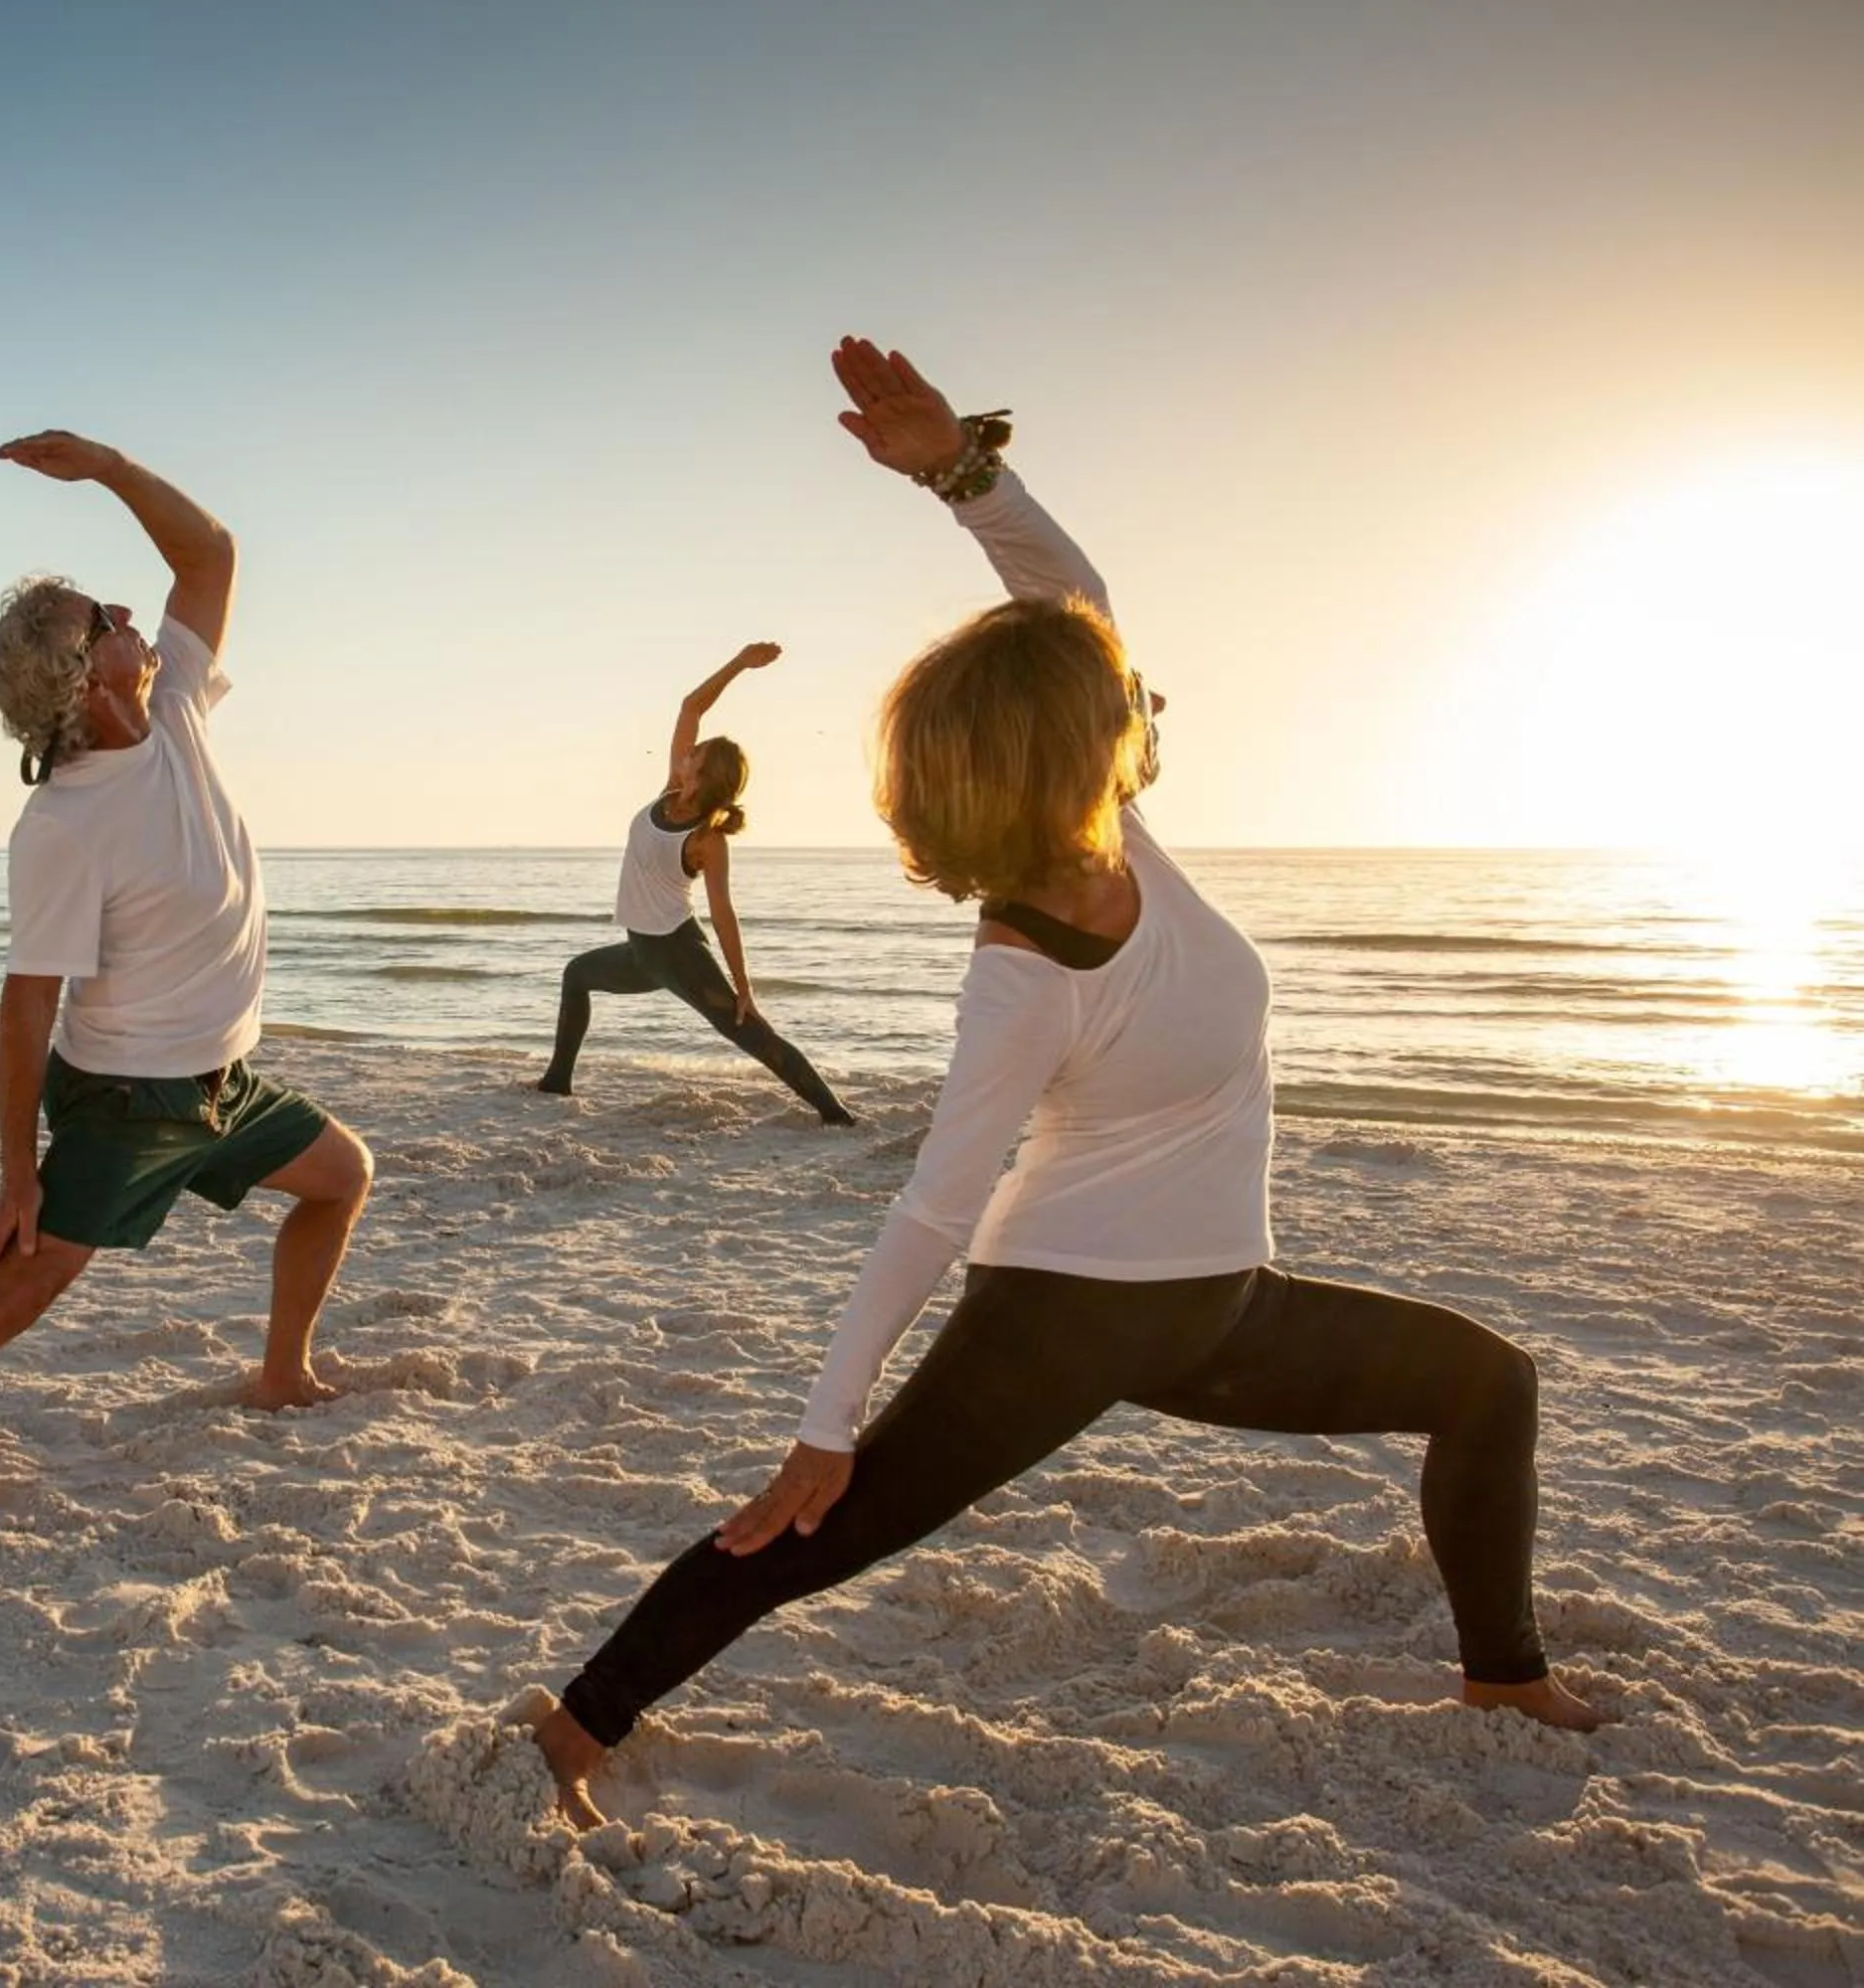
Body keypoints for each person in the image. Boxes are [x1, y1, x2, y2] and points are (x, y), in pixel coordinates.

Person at [533, 337, 1603, 1828]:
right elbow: (931, 1208)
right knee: (817, 1531)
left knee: (1488, 1385)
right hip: (1061, 1313)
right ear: (1071, 754)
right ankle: (572, 1728)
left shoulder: (1122, 843)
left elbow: (1074, 602)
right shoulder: (1024, 973)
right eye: (1126, 702)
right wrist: (826, 1420)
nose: (1149, 700)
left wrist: (960, 474)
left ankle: (1504, 1672)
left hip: (1225, 1303)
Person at [0, 430, 375, 1570]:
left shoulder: (180, 708)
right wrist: (16, 1174)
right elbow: (24, 1008)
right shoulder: (63, 823)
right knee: (11, 1296)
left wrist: (107, 468)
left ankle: (283, 1370)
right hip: (127, 1099)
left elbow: (211, 554)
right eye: (103, 616)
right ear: (85, 677)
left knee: (341, 1176)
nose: (127, 613)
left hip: (223, 1078)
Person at [535, 644, 854, 1123]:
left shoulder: (707, 839)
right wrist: (740, 664)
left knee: (750, 1034)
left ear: (703, 776)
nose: (684, 755)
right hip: (641, 952)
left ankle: (835, 1113)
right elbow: (691, 707)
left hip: (678, 954)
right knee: (577, 975)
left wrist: (744, 987)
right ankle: (556, 1083)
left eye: (694, 755)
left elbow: (723, 914)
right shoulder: (666, 793)